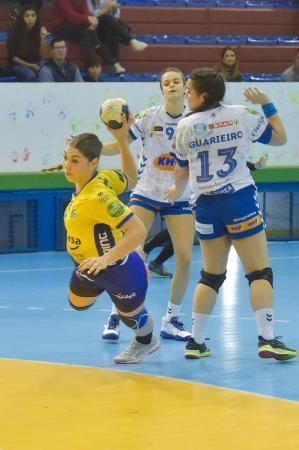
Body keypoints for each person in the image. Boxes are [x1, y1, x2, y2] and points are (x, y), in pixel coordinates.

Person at [167, 67, 297, 361]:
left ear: (205, 95)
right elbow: (279, 138)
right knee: (259, 272)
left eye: (189, 90)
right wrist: (266, 102)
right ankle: (267, 339)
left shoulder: (184, 127)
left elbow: (180, 170)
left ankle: (196, 343)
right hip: (238, 200)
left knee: (211, 275)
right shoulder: (241, 114)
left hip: (205, 205)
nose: (185, 94)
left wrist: (176, 189)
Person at [102, 67, 194, 342]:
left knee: (186, 258)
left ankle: (171, 320)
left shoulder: (194, 119)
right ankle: (116, 314)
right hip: (146, 191)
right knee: (131, 254)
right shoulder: (148, 117)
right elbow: (119, 144)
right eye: (167, 82)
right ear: (162, 89)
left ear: (185, 86)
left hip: (179, 196)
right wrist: (91, 147)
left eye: (177, 81)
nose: (172, 85)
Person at [63, 119, 159, 364]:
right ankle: (115, 294)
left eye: (74, 161)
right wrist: (121, 140)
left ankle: (145, 342)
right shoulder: (102, 178)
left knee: (132, 318)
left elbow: (138, 231)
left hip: (119, 269)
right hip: (87, 266)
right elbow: (130, 177)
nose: (66, 166)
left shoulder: (99, 196)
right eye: (66, 158)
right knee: (77, 304)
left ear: (93, 163)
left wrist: (107, 257)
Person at [86, 0, 148, 73]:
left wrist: (113, 8)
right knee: (107, 19)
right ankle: (132, 41)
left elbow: (115, 16)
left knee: (111, 30)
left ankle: (116, 64)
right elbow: (88, 15)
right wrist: (105, 9)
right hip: (90, 26)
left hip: (105, 26)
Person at [6, 4, 48, 81]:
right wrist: (31, 66)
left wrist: (43, 39)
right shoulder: (14, 33)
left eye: (33, 16)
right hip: (18, 65)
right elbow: (13, 58)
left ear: (36, 18)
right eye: (27, 16)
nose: (30, 19)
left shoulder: (37, 32)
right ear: (22, 18)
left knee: (46, 72)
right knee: (30, 75)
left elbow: (42, 57)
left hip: (35, 62)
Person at [52, 0, 100, 64]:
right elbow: (70, 15)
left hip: (76, 24)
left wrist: (92, 20)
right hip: (60, 26)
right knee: (84, 31)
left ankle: (96, 56)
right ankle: (91, 62)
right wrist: (87, 19)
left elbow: (86, 12)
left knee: (88, 29)